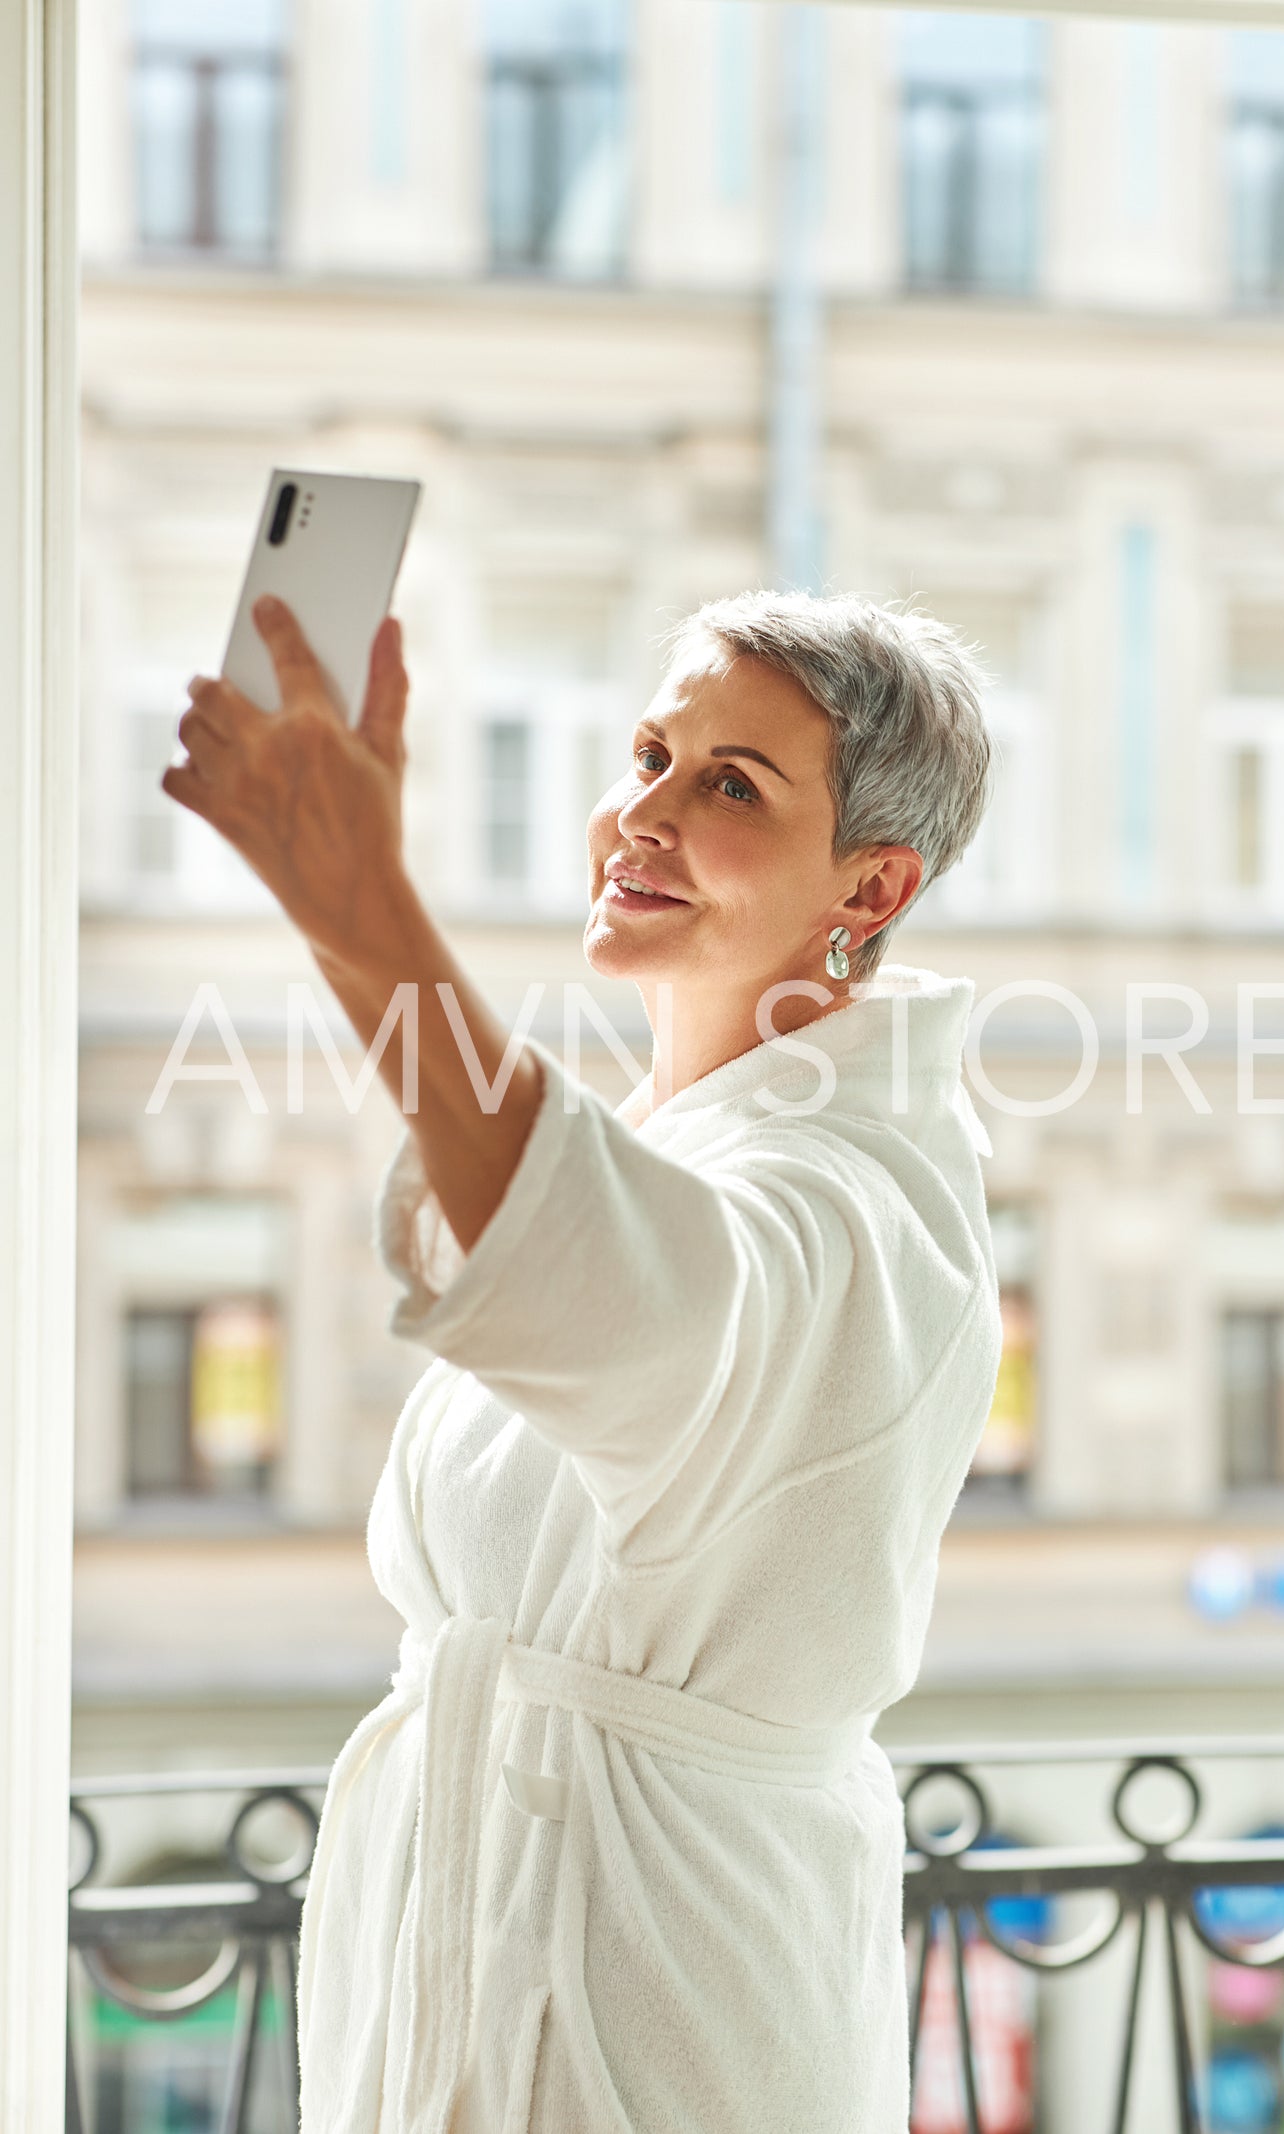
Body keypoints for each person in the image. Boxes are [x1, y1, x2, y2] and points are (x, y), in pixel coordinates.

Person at [166, 585, 1003, 2134]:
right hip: (483, 1977)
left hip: (664, 2002)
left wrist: (357, 900)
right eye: (649, 752)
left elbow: (627, 1289)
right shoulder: (704, 1146)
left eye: (730, 785)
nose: (641, 812)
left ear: (869, 886)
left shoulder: (860, 1205)